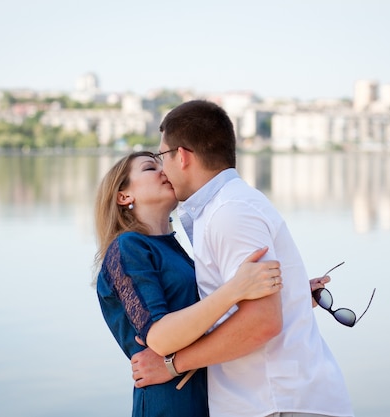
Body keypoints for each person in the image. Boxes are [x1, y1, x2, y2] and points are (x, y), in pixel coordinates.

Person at [131, 100, 354, 417]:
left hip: (275, 403)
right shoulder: (227, 206)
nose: (162, 169)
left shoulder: (229, 212)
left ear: (181, 156)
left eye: (161, 157)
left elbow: (262, 323)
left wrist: (172, 364)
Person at [93, 151, 284, 417]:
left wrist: (280, 296)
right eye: (150, 168)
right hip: (169, 401)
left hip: (209, 396)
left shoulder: (175, 249)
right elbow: (161, 338)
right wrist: (236, 288)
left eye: (163, 164)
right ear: (124, 196)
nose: (164, 171)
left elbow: (204, 320)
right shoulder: (128, 248)